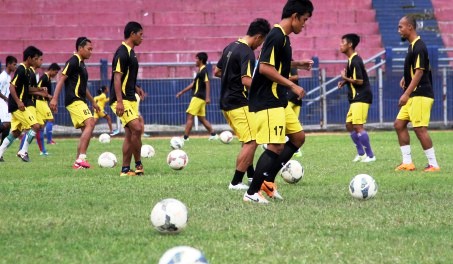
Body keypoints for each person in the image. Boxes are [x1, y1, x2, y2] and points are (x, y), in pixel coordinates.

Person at [244, 0, 314, 203]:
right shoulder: (276, 35)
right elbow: (265, 67)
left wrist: (297, 64)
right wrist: (292, 85)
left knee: (298, 138)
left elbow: (276, 63)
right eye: (305, 20)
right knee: (275, 146)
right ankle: (251, 193)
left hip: (279, 100)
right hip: (268, 100)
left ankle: (267, 181)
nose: (305, 24)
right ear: (294, 17)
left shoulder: (283, 37)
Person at [214, 18, 271, 190]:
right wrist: (263, 89)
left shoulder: (230, 47)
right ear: (259, 37)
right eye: (262, 42)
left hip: (227, 102)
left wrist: (230, 79)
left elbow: (217, 71)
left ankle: (251, 175)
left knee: (248, 139)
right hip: (238, 103)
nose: (260, 45)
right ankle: (236, 182)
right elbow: (246, 80)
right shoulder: (247, 52)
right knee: (252, 141)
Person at [394, 15, 440, 172]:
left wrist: (406, 93)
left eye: (401, 26)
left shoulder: (419, 46)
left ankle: (434, 164)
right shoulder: (412, 46)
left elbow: (420, 72)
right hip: (414, 94)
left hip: (420, 94)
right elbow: (418, 68)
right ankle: (407, 162)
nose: (398, 29)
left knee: (419, 128)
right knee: (399, 124)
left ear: (410, 27)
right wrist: (405, 77)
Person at [49, 37, 99, 169]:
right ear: (80, 48)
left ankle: (78, 163)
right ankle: (81, 159)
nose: (91, 52)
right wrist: (54, 98)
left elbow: (83, 87)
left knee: (86, 130)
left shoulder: (81, 63)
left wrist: (93, 101)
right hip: (74, 99)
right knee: (91, 122)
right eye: (89, 49)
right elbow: (61, 79)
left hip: (80, 100)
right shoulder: (73, 60)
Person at [0, 46, 48, 162]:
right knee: (35, 126)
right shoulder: (21, 69)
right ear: (29, 58)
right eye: (35, 58)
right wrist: (18, 101)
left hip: (17, 105)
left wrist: (40, 89)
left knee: (16, 132)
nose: (36, 61)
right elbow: (12, 86)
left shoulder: (26, 70)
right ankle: (23, 151)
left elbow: (26, 89)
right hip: (18, 106)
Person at [109, 21, 145, 177]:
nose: (142, 38)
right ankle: (138, 164)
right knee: (137, 128)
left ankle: (126, 169)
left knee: (131, 133)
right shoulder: (122, 52)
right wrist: (119, 101)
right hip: (121, 99)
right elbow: (117, 78)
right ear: (132, 34)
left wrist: (136, 87)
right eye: (140, 35)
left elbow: (128, 76)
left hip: (130, 97)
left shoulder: (131, 52)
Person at [338, 33, 375, 163]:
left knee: (358, 126)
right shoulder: (351, 60)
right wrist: (345, 82)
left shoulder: (355, 60)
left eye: (343, 43)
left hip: (362, 96)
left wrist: (345, 78)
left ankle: (370, 155)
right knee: (349, 125)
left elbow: (359, 81)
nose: (340, 45)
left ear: (350, 45)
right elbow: (355, 79)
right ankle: (361, 153)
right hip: (355, 98)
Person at [176, 52, 218, 141]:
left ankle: (185, 137)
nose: (195, 61)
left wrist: (207, 97)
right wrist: (182, 92)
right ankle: (213, 134)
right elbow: (193, 84)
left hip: (198, 97)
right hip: (200, 97)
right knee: (201, 118)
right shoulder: (200, 71)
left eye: (196, 59)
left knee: (190, 116)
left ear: (201, 60)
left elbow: (207, 83)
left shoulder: (204, 71)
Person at [38, 63, 61, 145]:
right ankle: (49, 140)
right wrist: (49, 96)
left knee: (42, 124)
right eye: (56, 72)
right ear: (51, 70)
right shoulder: (44, 78)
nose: (56, 74)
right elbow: (38, 89)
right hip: (39, 101)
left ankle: (45, 141)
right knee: (50, 119)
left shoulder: (48, 78)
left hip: (43, 102)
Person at [0, 56, 17, 153]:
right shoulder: (2, 77)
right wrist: (6, 99)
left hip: (5, 102)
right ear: (9, 64)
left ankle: (0, 152)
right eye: (14, 65)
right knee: (6, 124)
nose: (15, 67)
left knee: (9, 125)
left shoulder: (9, 76)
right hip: (1, 102)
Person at [287, 64, 302, 157]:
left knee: (287, 122)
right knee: (294, 124)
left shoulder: (289, 61)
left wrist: (281, 79)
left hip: (291, 95)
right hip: (295, 96)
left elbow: (296, 76)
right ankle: (297, 150)